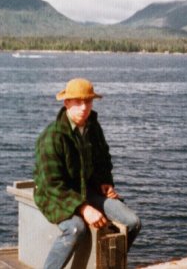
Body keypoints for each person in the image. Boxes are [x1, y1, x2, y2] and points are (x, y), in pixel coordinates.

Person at [33, 78, 141, 269]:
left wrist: (106, 183)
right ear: (67, 103)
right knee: (77, 228)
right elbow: (52, 185)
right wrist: (84, 209)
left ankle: (108, 266)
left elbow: (103, 159)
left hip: (87, 190)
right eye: (78, 102)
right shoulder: (52, 136)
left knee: (132, 223)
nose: (84, 107)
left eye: (88, 101)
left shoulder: (93, 127)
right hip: (56, 196)